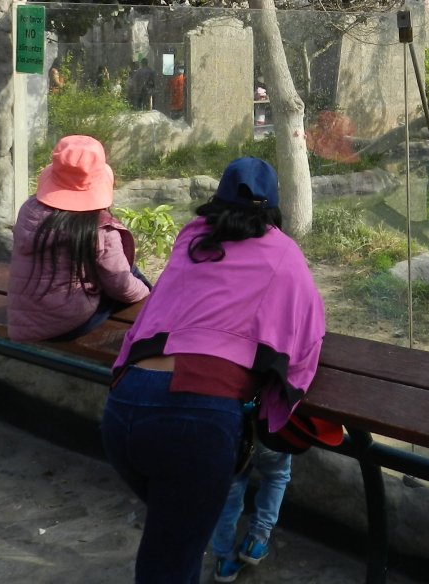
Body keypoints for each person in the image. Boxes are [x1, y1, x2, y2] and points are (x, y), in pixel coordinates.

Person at [100, 158, 325, 584]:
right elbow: (309, 331)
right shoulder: (283, 252)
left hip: (125, 407)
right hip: (197, 420)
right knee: (171, 560)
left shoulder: (191, 238)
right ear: (274, 208)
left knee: (170, 541)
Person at [7, 135, 151, 343]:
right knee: (130, 274)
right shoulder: (100, 228)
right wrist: (145, 292)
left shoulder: (29, 210)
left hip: (25, 316)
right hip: (68, 323)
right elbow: (120, 287)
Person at [208, 443, 293, 582]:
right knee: (277, 476)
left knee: (229, 499)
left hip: (237, 437)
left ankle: (225, 560)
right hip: (269, 436)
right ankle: (257, 541)